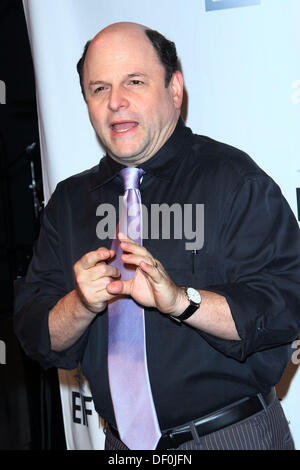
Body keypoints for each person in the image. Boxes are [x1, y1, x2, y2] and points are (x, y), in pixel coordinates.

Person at [14, 22, 300, 450]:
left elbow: (285, 303)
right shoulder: (69, 203)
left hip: (230, 438)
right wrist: (82, 303)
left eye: (134, 81)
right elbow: (37, 335)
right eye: (98, 89)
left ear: (175, 89)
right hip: (120, 447)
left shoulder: (233, 181)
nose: (115, 102)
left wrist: (181, 301)